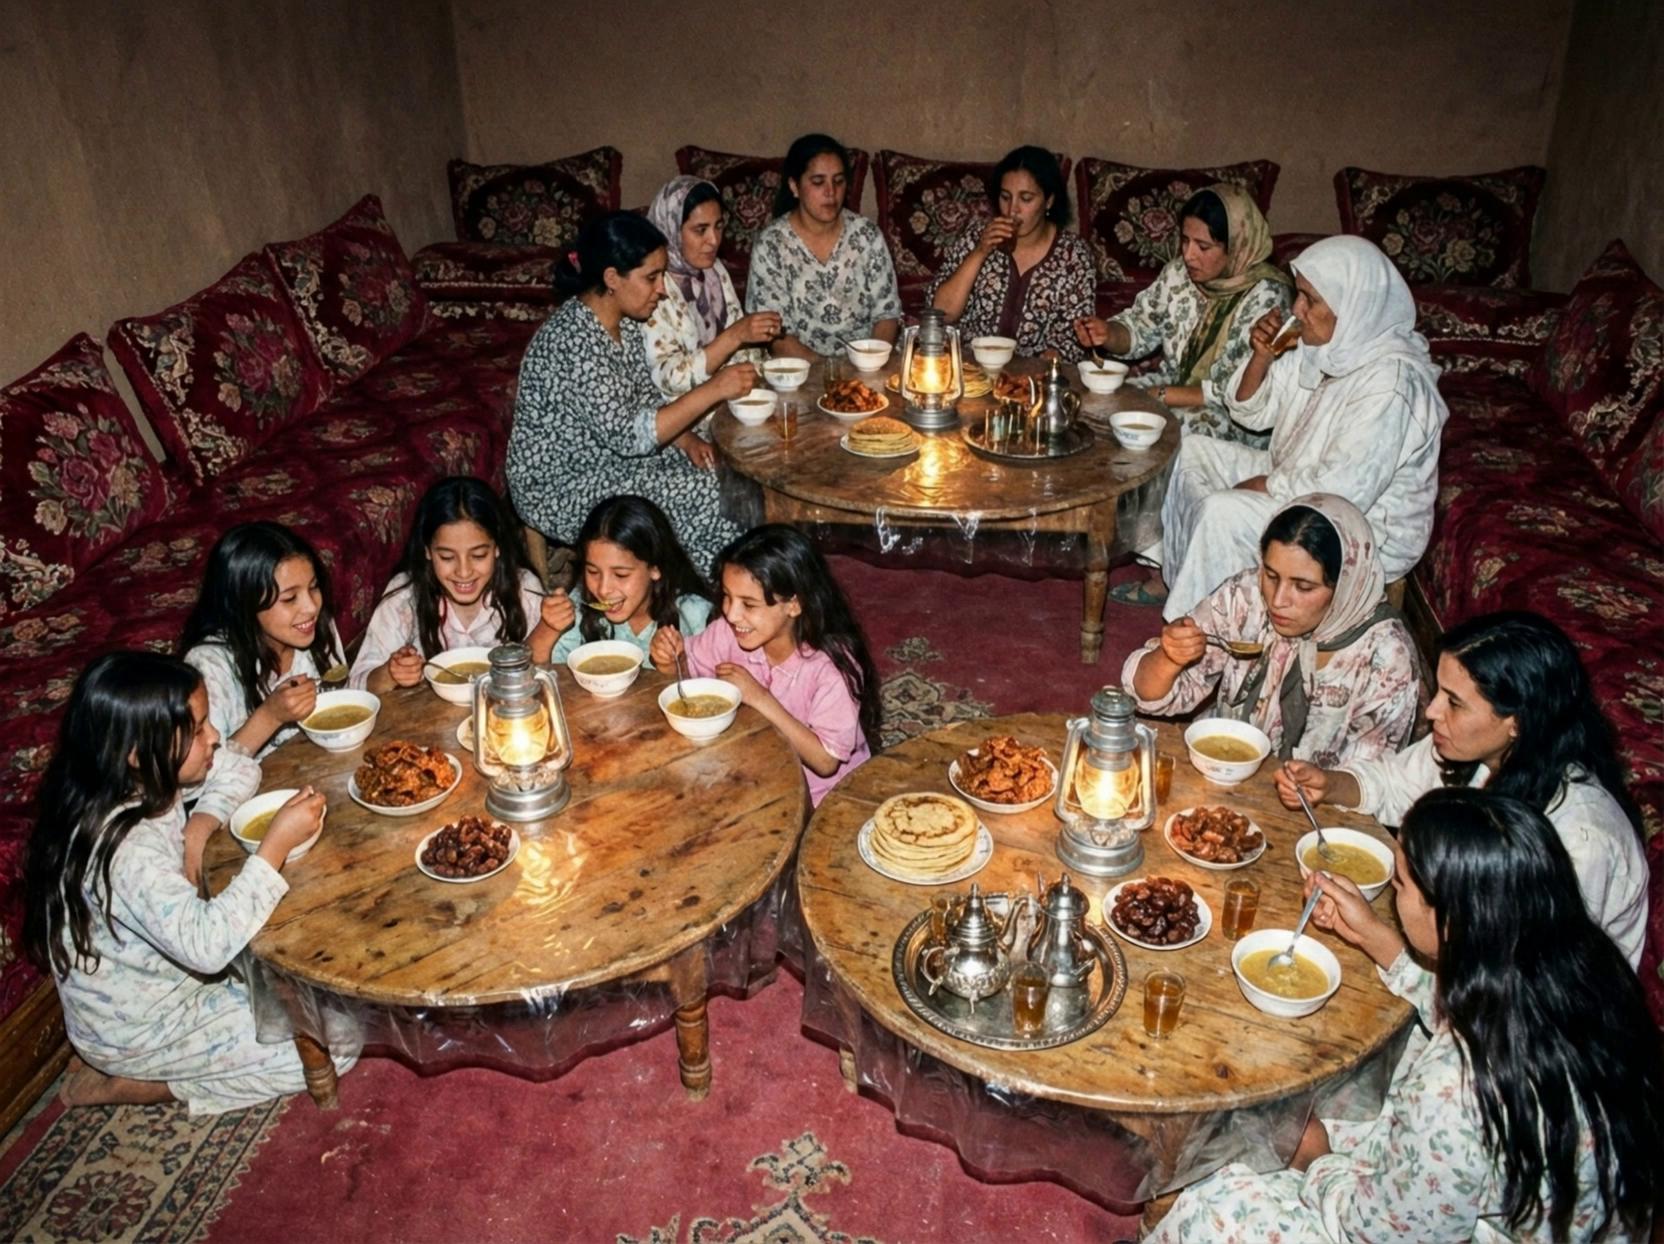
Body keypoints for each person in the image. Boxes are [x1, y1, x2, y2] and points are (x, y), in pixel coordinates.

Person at [1151, 788, 1663, 1244]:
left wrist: (1319, 1160)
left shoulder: (1457, 1086)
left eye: (1400, 886)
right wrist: (1375, 935)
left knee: (1217, 1197)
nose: (1393, 897)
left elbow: (1377, 1231)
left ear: (1453, 919)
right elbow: (1461, 1010)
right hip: (1556, 1206)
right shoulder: (1578, 970)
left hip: (1441, 1221)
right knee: (1303, 1113)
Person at [22, 652, 353, 1113]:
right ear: (137, 752)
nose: (214, 736)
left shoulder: (139, 779)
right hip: (144, 1027)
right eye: (197, 730)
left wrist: (198, 828)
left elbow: (236, 763)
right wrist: (273, 847)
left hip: (178, 979)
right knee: (339, 1044)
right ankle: (138, 1085)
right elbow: (208, 946)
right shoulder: (123, 849)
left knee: (324, 982)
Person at [1275, 610, 1648, 967]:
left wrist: (1376, 939)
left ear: (1516, 721)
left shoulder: (1580, 843)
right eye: (1439, 692)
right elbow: (1394, 782)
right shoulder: (1478, 750)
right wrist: (1331, 784)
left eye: (1454, 702)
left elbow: (1518, 992)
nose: (1432, 711)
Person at [1142, 234, 1447, 619]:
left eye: (1311, 300)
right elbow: (1252, 412)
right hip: (1297, 479)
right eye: (1299, 295)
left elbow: (1345, 490)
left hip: (1360, 529)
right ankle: (1197, 584)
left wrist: (1265, 486)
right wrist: (1261, 357)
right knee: (1189, 448)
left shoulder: (1392, 383)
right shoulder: (1324, 345)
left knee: (1223, 512)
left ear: (1353, 307)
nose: (1297, 310)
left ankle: (1198, 634)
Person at [508, 212, 756, 573]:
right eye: (652, 277)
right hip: (561, 485)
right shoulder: (574, 340)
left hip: (609, 461)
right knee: (708, 497)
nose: (662, 289)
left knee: (731, 477)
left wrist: (686, 440)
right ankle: (707, 591)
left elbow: (643, 396)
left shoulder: (626, 321)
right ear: (612, 278)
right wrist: (715, 389)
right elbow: (629, 435)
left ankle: (709, 588)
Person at [1123, 495, 1419, 767]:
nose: (1278, 600)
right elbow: (1146, 694)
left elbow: (1367, 783)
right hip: (1225, 766)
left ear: (1345, 585)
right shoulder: (1246, 596)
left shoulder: (1386, 657)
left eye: (1303, 587)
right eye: (1271, 575)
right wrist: (1169, 658)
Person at [649, 525, 879, 806]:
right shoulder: (727, 633)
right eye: (727, 596)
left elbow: (825, 761)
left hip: (823, 798)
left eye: (749, 604)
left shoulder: (829, 668)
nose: (731, 614)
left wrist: (758, 697)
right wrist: (673, 659)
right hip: (757, 775)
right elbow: (686, 679)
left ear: (794, 605)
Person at [1074, 183, 1293, 441]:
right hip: (1169, 388)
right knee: (1096, 406)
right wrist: (1107, 333)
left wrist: (1161, 395)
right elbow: (1140, 327)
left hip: (1232, 416)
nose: (1189, 255)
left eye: (1203, 246)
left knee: (1165, 430)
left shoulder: (1267, 296)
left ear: (1236, 246)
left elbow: (1235, 392)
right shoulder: (1178, 275)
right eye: (1185, 241)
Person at [350, 477, 559, 691]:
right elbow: (355, 687)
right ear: (427, 551)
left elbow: (546, 674)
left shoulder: (523, 589)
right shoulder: (404, 598)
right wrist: (389, 673)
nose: (464, 572)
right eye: (447, 558)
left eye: (478, 555)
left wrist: (549, 627)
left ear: (497, 548)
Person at [179, 522, 346, 758]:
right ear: (244, 604)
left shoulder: (315, 626)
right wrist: (270, 717)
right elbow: (199, 779)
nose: (311, 607)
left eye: (314, 587)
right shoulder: (209, 665)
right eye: (290, 599)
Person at [927, 146, 1095, 360]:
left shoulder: (1073, 255)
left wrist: (1051, 360)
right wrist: (980, 252)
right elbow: (941, 313)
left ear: (1049, 201)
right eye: (1005, 197)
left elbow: (1074, 337)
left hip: (1031, 376)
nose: (1012, 210)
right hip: (970, 367)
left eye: (1026, 199)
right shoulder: (977, 237)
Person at [745, 133, 902, 359]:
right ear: (794, 186)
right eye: (818, 182)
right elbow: (775, 335)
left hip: (867, 368)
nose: (831, 192)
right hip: (799, 372)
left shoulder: (866, 235)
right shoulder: (772, 245)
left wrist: (869, 363)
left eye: (838, 181)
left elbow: (887, 314)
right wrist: (829, 375)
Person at [640, 175, 781, 400]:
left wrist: (770, 375)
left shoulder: (713, 271)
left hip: (733, 403)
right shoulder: (653, 284)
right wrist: (734, 336)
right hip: (685, 417)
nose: (714, 240)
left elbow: (745, 354)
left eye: (718, 226)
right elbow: (668, 379)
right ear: (671, 230)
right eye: (700, 230)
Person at [546, 494, 714, 665]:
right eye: (593, 571)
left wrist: (676, 665)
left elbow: (712, 686)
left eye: (620, 575)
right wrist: (548, 628)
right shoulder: (580, 605)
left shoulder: (694, 615)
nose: (603, 589)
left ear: (655, 568)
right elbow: (532, 676)